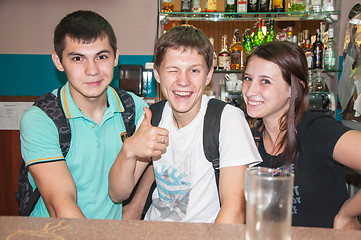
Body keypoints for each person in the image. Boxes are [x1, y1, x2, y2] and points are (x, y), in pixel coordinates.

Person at [108, 25, 262, 223]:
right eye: (173, 70)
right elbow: (117, 193)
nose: (183, 81)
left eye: (194, 70)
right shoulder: (152, 118)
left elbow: (234, 209)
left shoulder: (227, 119)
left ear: (208, 75)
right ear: (156, 73)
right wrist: (128, 150)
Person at [20, 10, 148, 218]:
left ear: (116, 57)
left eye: (102, 56)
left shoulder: (134, 108)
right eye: (78, 58)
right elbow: (60, 203)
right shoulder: (41, 119)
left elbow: (157, 155)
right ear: (58, 61)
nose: (92, 70)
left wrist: (136, 205)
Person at [242, 40, 361, 229]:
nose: (250, 91)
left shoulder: (318, 130)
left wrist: (346, 214)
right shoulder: (248, 139)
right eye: (248, 79)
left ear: (294, 90)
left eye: (265, 81)